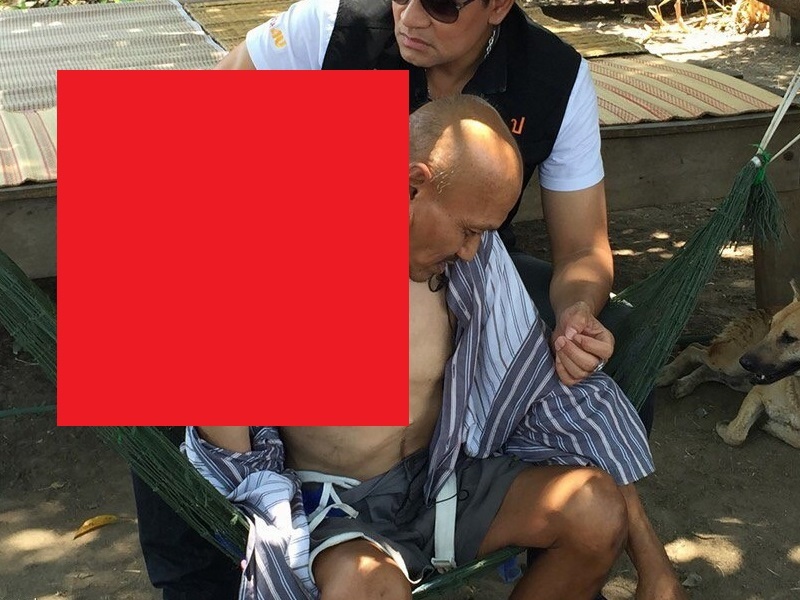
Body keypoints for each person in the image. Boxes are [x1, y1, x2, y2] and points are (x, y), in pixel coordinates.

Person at [133, 1, 656, 596]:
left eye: (440, 3)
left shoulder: (548, 84)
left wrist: (573, 310)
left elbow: (582, 250)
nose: (409, 15)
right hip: (340, 469)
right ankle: (194, 582)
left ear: (497, 6)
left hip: (450, 363)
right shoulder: (333, 27)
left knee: (607, 358)